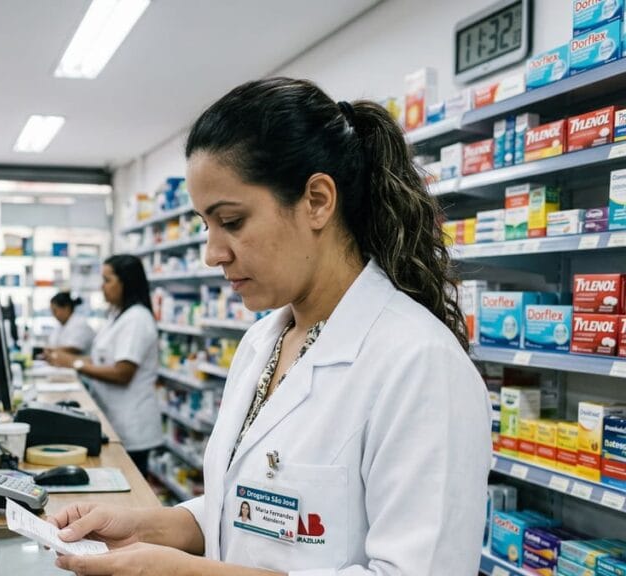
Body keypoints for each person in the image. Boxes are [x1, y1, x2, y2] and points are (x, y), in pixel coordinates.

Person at [50, 78, 491, 575]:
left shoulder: (419, 363)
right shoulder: (264, 341)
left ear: (318, 200)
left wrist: (183, 573)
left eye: (232, 221)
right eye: (206, 226)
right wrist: (146, 527)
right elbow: (247, 509)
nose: (213, 253)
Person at [48, 255, 161, 476]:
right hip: (114, 417)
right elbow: (102, 360)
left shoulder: (137, 319)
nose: (102, 286)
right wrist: (69, 361)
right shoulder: (117, 316)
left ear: (126, 282)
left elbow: (122, 373)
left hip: (131, 425)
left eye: (107, 280)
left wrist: (77, 364)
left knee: (132, 492)